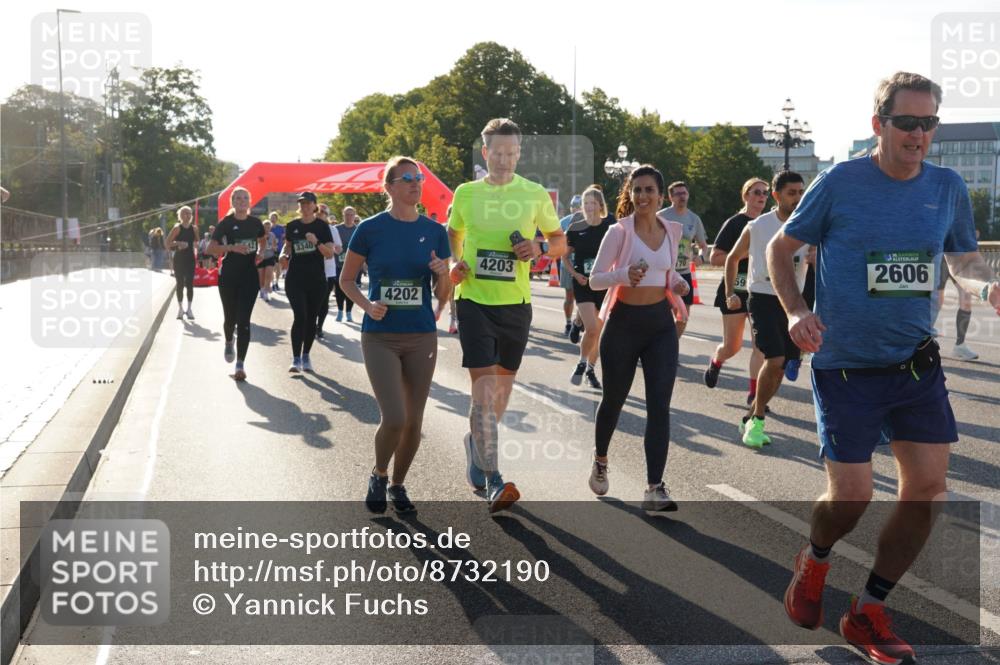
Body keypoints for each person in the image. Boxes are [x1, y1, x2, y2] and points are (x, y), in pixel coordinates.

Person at [771, 72, 1000, 665]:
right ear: (879, 125)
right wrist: (797, 310)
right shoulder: (841, 182)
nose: (919, 135)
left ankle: (868, 609)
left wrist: (987, 284)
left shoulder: (947, 187)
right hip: (845, 365)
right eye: (907, 123)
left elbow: (964, 259)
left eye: (929, 124)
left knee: (927, 492)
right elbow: (780, 249)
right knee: (851, 495)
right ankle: (815, 558)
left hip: (915, 364)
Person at [448, 117, 567, 513]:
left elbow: (558, 241)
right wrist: (457, 259)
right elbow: (454, 231)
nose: (504, 160)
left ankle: (476, 444)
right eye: (497, 153)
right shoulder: (466, 193)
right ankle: (493, 479)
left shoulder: (534, 194)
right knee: (483, 394)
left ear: (519, 153)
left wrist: (539, 249)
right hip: (474, 302)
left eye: (511, 153)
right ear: (486, 153)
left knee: (501, 395)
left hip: (515, 305)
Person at [339, 157, 452, 514]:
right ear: (388, 187)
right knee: (395, 418)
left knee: (415, 424)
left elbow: (444, 293)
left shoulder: (436, 232)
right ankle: (379, 472)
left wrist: (442, 273)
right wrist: (367, 306)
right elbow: (346, 280)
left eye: (418, 177)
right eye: (406, 178)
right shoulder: (370, 229)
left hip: (421, 335)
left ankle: (398, 485)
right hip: (381, 336)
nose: (415, 183)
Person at [587, 165, 689, 511]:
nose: (643, 196)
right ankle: (601, 460)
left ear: (661, 195)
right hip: (623, 324)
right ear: (630, 195)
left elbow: (668, 271)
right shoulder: (619, 232)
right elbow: (596, 280)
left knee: (659, 406)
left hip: (660, 325)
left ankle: (654, 488)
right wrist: (623, 274)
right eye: (637, 190)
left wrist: (677, 283)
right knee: (613, 399)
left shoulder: (671, 230)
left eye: (649, 190)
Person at [723, 171, 808, 448]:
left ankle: (749, 418)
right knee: (774, 358)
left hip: (793, 300)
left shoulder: (808, 226)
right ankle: (757, 422)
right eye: (791, 193)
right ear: (776, 195)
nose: (797, 198)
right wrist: (730, 293)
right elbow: (733, 258)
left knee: (780, 367)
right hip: (761, 296)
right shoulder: (758, 226)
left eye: (800, 192)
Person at [704, 178, 769, 407]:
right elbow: (715, 258)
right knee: (732, 346)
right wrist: (745, 254)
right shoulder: (735, 223)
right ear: (746, 196)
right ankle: (717, 360)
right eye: (756, 192)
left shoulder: (769, 223)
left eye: (764, 193)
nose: (761, 196)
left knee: (760, 345)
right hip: (734, 289)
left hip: (760, 289)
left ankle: (754, 394)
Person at [207, 187, 266, 382]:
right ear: (233, 202)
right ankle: (229, 340)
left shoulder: (256, 223)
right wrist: (231, 247)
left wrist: (260, 252)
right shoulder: (226, 223)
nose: (241, 201)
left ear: (249, 202)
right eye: (238, 198)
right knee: (230, 319)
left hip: (249, 276)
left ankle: (240, 364)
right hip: (229, 275)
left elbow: (262, 239)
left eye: (245, 198)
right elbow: (210, 248)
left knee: (244, 320)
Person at [279, 192, 336, 373]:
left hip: (316, 280)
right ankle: (296, 359)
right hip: (295, 278)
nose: (304, 206)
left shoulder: (322, 226)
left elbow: (329, 253)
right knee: (300, 316)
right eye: (301, 203)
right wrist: (283, 254)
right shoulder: (292, 225)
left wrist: (316, 241)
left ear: (314, 205)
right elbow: (288, 245)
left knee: (311, 318)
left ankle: (306, 355)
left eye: (307, 203)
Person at [563, 187, 611, 389]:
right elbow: (564, 255)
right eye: (586, 204)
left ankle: (591, 368)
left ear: (600, 205)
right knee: (591, 329)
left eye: (593, 203)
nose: (589, 207)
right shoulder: (576, 226)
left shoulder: (610, 224)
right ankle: (581, 364)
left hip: (604, 283)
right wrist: (575, 275)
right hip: (583, 281)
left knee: (597, 332)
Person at [657, 181, 709, 338]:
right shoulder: (661, 216)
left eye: (684, 193)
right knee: (660, 317)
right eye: (678, 194)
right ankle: (657, 349)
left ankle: (670, 348)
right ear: (671, 197)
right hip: (663, 273)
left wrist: (701, 256)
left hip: (684, 273)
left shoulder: (694, 219)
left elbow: (703, 246)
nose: (682, 197)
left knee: (683, 317)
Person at [933, 230, 980, 360]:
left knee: (966, 300)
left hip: (960, 258)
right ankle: (922, 341)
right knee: (938, 300)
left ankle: (960, 346)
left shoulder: (965, 210)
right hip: (940, 255)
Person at [316, 204, 344, 338]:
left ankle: (319, 326)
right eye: (318, 212)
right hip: (311, 270)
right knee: (312, 300)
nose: (321, 215)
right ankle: (311, 323)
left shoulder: (332, 229)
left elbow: (339, 248)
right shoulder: (310, 228)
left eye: (323, 213)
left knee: (324, 300)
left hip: (328, 270)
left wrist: (333, 249)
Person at [166, 206, 198, 320]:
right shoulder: (177, 228)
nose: (187, 215)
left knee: (190, 283)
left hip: (190, 259)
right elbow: (167, 243)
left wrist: (196, 246)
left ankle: (189, 309)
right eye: (185, 213)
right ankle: (180, 309)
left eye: (189, 213)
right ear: (180, 215)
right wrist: (179, 243)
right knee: (179, 283)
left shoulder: (194, 228)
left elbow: (197, 241)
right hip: (179, 259)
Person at [558, 194, 584, 336]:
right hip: (567, 263)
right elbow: (555, 240)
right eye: (574, 207)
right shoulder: (564, 222)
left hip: (584, 264)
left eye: (579, 206)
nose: (577, 209)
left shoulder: (590, 221)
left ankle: (579, 322)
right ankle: (568, 322)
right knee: (569, 296)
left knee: (584, 297)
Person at [331, 207, 362, 323]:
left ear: (355, 216)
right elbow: (330, 244)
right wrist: (335, 249)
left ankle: (349, 312)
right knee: (339, 289)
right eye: (346, 215)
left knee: (352, 288)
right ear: (343, 215)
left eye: (351, 215)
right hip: (338, 264)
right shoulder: (336, 229)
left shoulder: (358, 229)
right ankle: (339, 311)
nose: (349, 217)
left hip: (354, 264)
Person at [257, 220, 279, 302]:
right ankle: (262, 289)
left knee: (268, 274)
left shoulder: (272, 235)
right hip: (261, 257)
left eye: (269, 227)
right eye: (265, 227)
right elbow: (256, 244)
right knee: (261, 277)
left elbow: (275, 245)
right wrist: (263, 240)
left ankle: (266, 292)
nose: (267, 229)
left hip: (270, 256)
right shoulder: (259, 235)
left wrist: (274, 247)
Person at [269, 213, 285, 292]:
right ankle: (272, 283)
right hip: (270, 250)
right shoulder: (268, 227)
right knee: (272, 267)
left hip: (279, 249)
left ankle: (276, 282)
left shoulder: (280, 228)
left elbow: (284, 237)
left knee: (278, 267)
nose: (273, 219)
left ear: (276, 218)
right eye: (272, 217)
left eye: (274, 217)